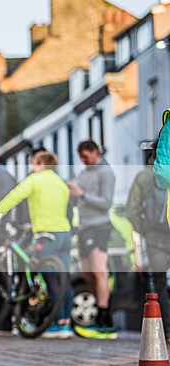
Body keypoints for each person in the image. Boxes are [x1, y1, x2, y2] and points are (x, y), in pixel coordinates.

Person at [0, 150, 74, 338]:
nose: (31, 166)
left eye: (34, 163)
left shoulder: (35, 180)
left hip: (46, 235)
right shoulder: (61, 183)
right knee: (64, 279)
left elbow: (14, 196)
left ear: (42, 164)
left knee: (51, 279)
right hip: (65, 234)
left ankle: (57, 323)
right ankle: (66, 323)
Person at [68, 140, 117, 339]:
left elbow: (106, 202)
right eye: (81, 158)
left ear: (95, 152)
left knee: (99, 272)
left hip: (99, 226)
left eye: (86, 157)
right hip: (84, 228)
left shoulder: (106, 172)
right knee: (88, 275)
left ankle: (105, 318)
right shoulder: (82, 174)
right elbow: (77, 200)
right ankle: (101, 312)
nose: (84, 161)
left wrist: (82, 194)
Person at [125, 155, 170, 344]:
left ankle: (167, 329)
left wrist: (145, 229)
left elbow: (131, 209)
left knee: (159, 281)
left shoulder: (144, 176)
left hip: (156, 237)